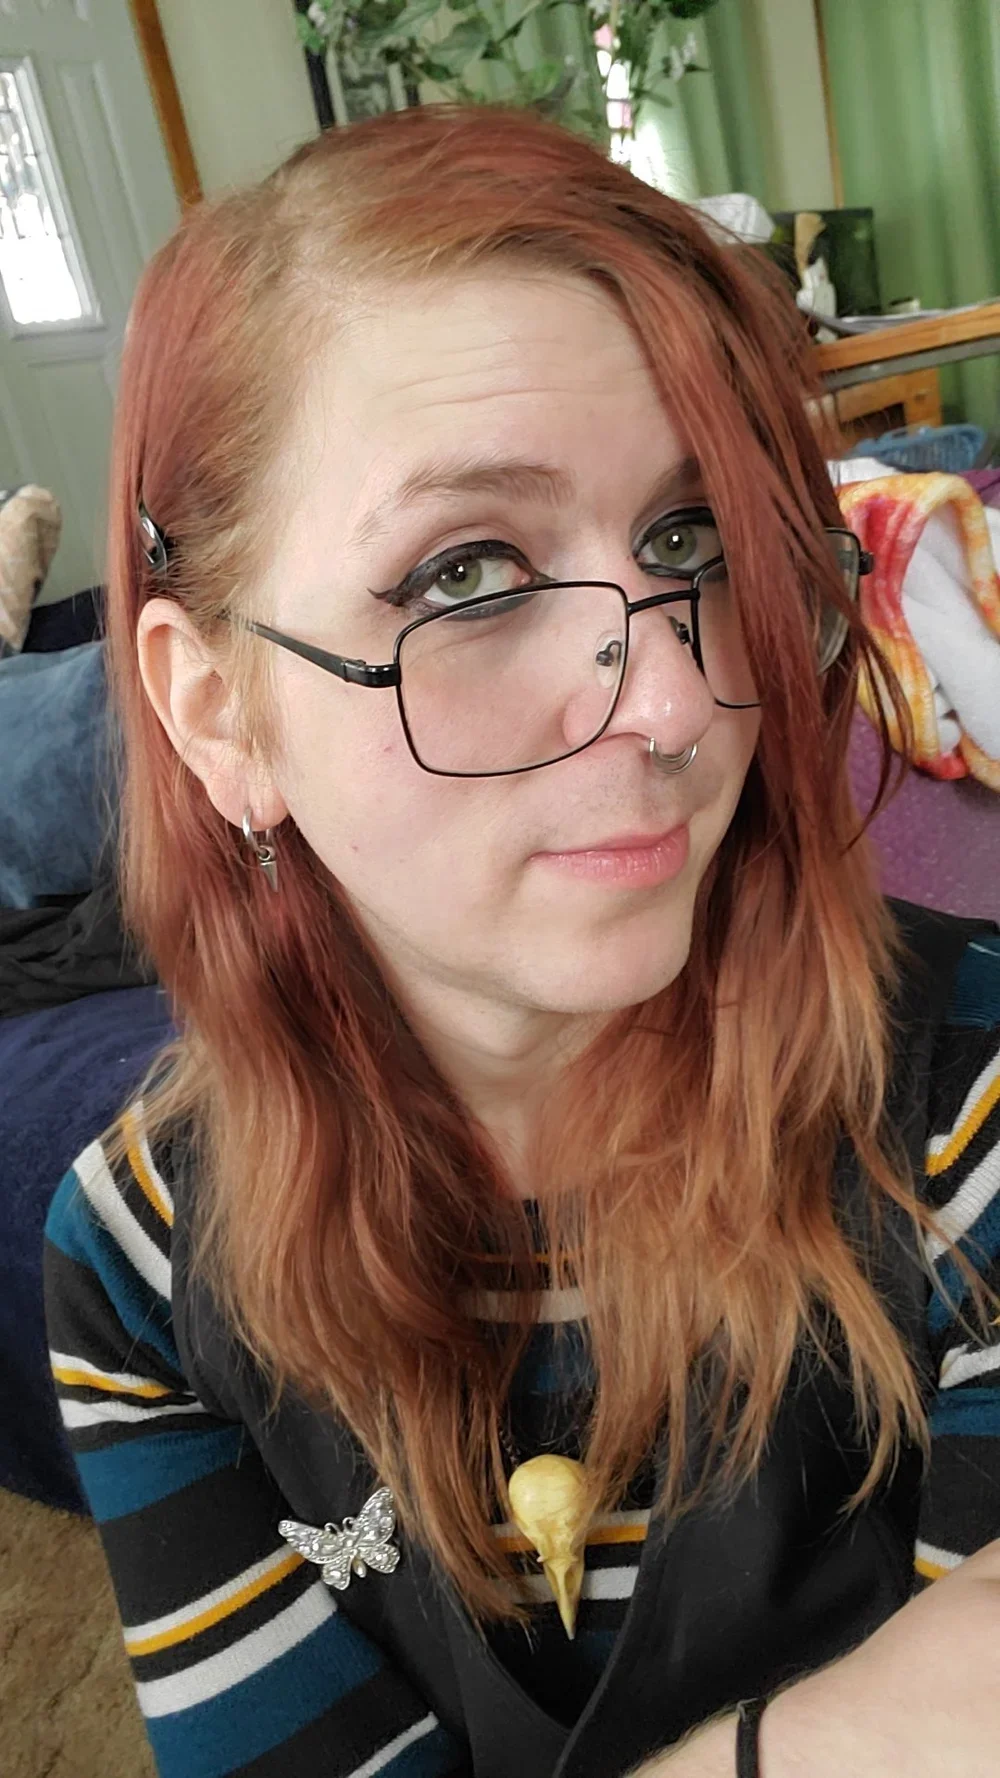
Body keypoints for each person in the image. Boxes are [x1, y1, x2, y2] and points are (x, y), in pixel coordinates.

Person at [43, 106, 1000, 1778]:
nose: (675, 701)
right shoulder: (144, 1259)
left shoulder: (966, 1099)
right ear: (220, 715)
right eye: (469, 574)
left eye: (691, 540)